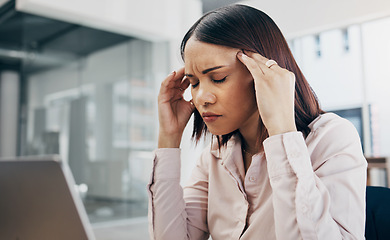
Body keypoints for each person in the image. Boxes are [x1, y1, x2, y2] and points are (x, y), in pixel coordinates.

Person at [147, 4, 367, 240]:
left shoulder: (331, 138)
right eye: (194, 83)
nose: (201, 98)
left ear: (262, 72)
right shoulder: (215, 157)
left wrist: (282, 132)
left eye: (218, 78)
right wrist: (168, 139)